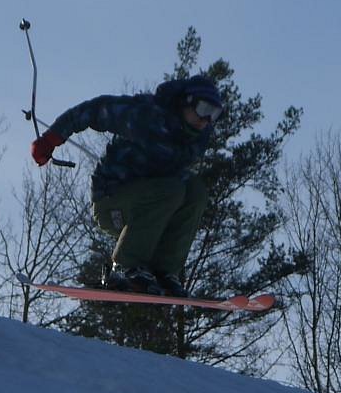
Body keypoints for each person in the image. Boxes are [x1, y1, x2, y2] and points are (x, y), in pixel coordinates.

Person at [30, 75, 225, 296]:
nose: (206, 119)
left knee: (195, 191)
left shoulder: (198, 137)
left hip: (151, 208)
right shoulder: (148, 115)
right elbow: (96, 110)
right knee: (172, 189)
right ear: (185, 102)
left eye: (215, 114)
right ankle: (125, 266)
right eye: (203, 108)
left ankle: (163, 272)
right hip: (112, 201)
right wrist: (51, 139)